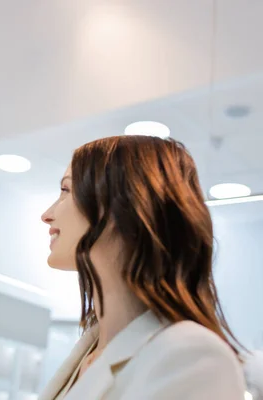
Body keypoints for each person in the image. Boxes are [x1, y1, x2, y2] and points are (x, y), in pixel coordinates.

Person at [39, 135, 247, 399]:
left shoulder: (190, 356)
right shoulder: (89, 352)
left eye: (66, 190)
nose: (46, 214)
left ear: (119, 206)